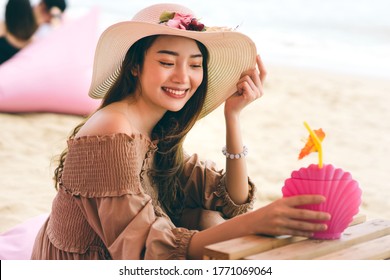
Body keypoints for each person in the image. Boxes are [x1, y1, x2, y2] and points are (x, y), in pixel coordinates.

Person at [31, 3, 331, 260]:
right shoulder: (113, 129)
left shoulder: (156, 126)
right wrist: (258, 221)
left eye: (195, 64)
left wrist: (233, 117)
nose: (182, 77)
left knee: (208, 217)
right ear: (135, 65)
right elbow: (143, 248)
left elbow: (230, 200)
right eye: (166, 62)